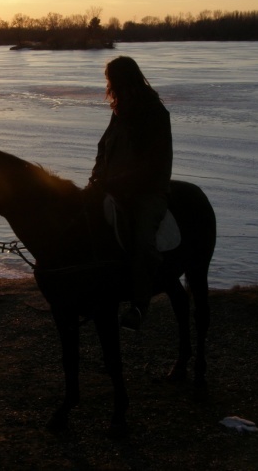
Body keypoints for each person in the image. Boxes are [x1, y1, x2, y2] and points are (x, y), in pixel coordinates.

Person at [88, 56, 173, 330]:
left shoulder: (155, 114)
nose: (109, 86)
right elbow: (104, 149)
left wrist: (115, 183)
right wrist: (97, 178)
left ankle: (140, 305)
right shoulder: (119, 112)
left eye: (111, 81)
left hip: (147, 193)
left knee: (141, 239)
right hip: (113, 188)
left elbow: (154, 166)